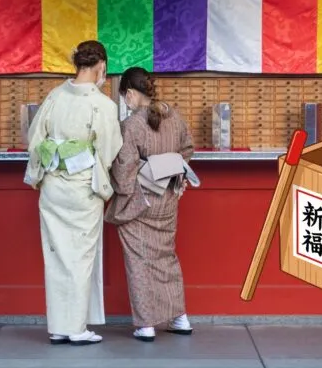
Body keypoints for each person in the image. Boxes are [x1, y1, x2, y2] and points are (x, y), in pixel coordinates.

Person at [24, 40, 122, 346]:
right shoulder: (102, 104)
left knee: (56, 256)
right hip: (81, 188)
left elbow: (35, 139)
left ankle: (58, 326)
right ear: (101, 66)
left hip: (53, 185)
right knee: (80, 257)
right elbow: (108, 150)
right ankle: (76, 328)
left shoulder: (55, 96)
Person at [106, 67, 195, 343]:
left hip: (140, 201)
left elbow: (123, 175)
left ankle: (146, 325)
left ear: (131, 94)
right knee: (166, 257)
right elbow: (187, 150)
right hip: (167, 198)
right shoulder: (174, 117)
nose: (126, 103)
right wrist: (169, 170)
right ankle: (180, 317)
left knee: (140, 262)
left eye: (125, 97)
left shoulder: (131, 125)